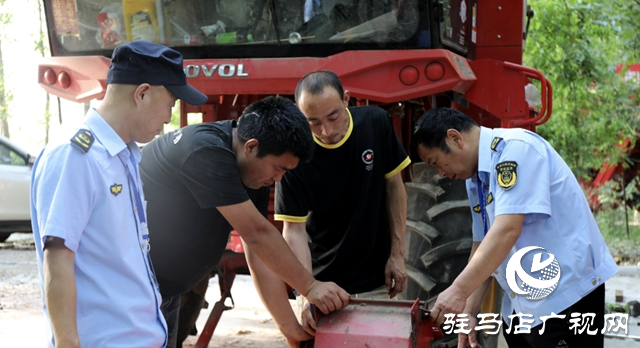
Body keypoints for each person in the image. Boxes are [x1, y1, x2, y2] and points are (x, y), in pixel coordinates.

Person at [31, 40, 208, 348]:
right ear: (142, 93)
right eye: (171, 102)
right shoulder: (76, 155)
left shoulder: (125, 155)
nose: (169, 117)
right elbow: (58, 260)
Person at [139, 95, 351, 348]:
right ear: (251, 147)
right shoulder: (205, 150)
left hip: (164, 291)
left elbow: (259, 253)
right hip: (133, 289)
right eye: (278, 168)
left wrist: (289, 328)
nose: (279, 179)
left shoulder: (252, 171)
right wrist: (310, 286)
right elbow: (257, 234)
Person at [412, 107, 618, 348]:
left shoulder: (516, 150)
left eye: (436, 162)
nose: (442, 173)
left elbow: (507, 229)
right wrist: (469, 310)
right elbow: (483, 243)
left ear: (455, 138)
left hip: (565, 295)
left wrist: (457, 291)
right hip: (523, 305)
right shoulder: (476, 179)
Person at [247, 70, 411, 346]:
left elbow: (394, 188)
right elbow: (294, 230)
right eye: (313, 122)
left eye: (333, 117)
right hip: (324, 285)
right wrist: (304, 292)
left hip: (377, 279)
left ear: (346, 99)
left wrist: (397, 255)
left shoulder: (375, 124)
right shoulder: (294, 154)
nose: (327, 131)